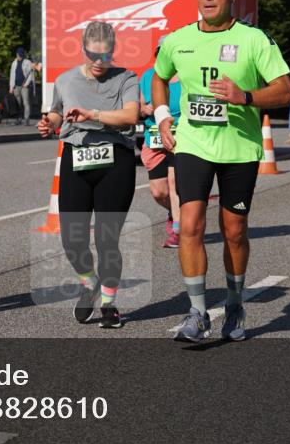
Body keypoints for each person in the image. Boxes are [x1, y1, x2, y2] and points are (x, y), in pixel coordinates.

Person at [152, 0, 290, 342]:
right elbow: (159, 78)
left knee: (234, 230)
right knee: (189, 225)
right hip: (194, 144)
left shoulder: (254, 40)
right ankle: (197, 311)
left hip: (240, 148)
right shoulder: (179, 40)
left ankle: (234, 303)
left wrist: (244, 96)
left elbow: (284, 90)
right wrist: (163, 117)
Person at [38, 21, 139, 329]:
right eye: (93, 55)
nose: (99, 62)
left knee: (107, 239)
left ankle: (109, 303)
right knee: (72, 239)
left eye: (106, 55)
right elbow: (57, 111)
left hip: (115, 161)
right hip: (76, 158)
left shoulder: (126, 78)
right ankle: (89, 282)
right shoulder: (66, 80)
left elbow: (130, 115)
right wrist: (50, 122)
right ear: (82, 50)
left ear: (113, 51)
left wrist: (92, 114)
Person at [139, 37, 182, 248]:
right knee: (159, 191)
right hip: (153, 139)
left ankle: (177, 230)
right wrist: (143, 109)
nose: (164, 55)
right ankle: (173, 213)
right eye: (160, 52)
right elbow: (138, 106)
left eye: (169, 51)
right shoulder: (148, 77)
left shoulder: (187, 77)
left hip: (179, 138)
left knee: (174, 184)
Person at [9, 46, 39, 125]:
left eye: (21, 54)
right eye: (19, 54)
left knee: (26, 103)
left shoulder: (27, 62)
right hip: (16, 86)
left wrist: (26, 84)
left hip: (24, 86)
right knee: (18, 103)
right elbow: (12, 75)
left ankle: (26, 119)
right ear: (17, 54)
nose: (20, 56)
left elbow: (31, 74)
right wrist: (11, 87)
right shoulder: (14, 63)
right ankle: (19, 118)